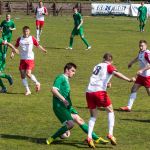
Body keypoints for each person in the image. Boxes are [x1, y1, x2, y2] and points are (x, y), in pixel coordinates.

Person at [46, 63, 109, 145]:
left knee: (79, 120)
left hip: (67, 107)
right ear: (66, 70)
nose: (74, 73)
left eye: (74, 71)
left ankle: (96, 138)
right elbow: (53, 90)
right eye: (72, 71)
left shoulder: (66, 79)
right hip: (59, 106)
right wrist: (64, 100)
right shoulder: (61, 77)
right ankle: (51, 139)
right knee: (70, 124)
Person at [86, 53, 135, 148]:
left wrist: (106, 84)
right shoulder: (109, 66)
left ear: (103, 59)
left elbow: (98, 78)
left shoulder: (97, 65)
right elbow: (116, 74)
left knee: (93, 116)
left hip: (89, 92)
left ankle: (89, 137)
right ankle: (110, 134)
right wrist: (128, 79)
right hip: (99, 92)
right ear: (111, 61)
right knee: (110, 110)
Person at [11, 26, 47, 96]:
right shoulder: (20, 39)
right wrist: (12, 53)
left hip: (30, 58)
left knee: (28, 73)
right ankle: (28, 90)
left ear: (29, 32)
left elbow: (38, 45)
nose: (26, 32)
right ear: (23, 31)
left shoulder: (32, 38)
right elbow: (15, 47)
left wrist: (43, 50)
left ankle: (37, 83)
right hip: (22, 59)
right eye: (24, 31)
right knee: (22, 75)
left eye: (27, 31)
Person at [120, 40, 150, 112]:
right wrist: (131, 62)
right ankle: (129, 107)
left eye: (142, 46)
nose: (140, 47)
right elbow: (138, 58)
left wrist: (142, 70)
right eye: (140, 46)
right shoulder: (141, 52)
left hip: (147, 77)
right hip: (141, 76)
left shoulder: (147, 53)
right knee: (133, 89)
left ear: (146, 46)